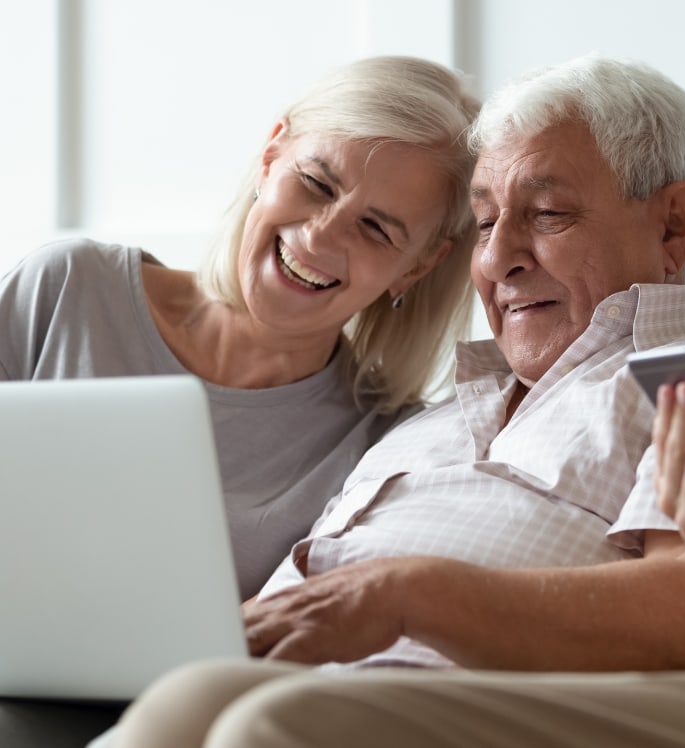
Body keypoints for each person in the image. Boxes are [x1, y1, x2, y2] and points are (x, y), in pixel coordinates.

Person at [102, 53, 685, 747]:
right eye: (486, 221)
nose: (499, 258)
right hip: (261, 688)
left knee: (256, 723)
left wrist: (410, 595)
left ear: (674, 226)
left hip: (461, 715)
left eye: (546, 214)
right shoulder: (423, 418)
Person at [0, 56, 480, 601]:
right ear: (272, 154)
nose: (320, 238)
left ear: (416, 266)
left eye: (375, 228)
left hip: (192, 688)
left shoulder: (382, 444)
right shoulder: (66, 291)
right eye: (317, 183)